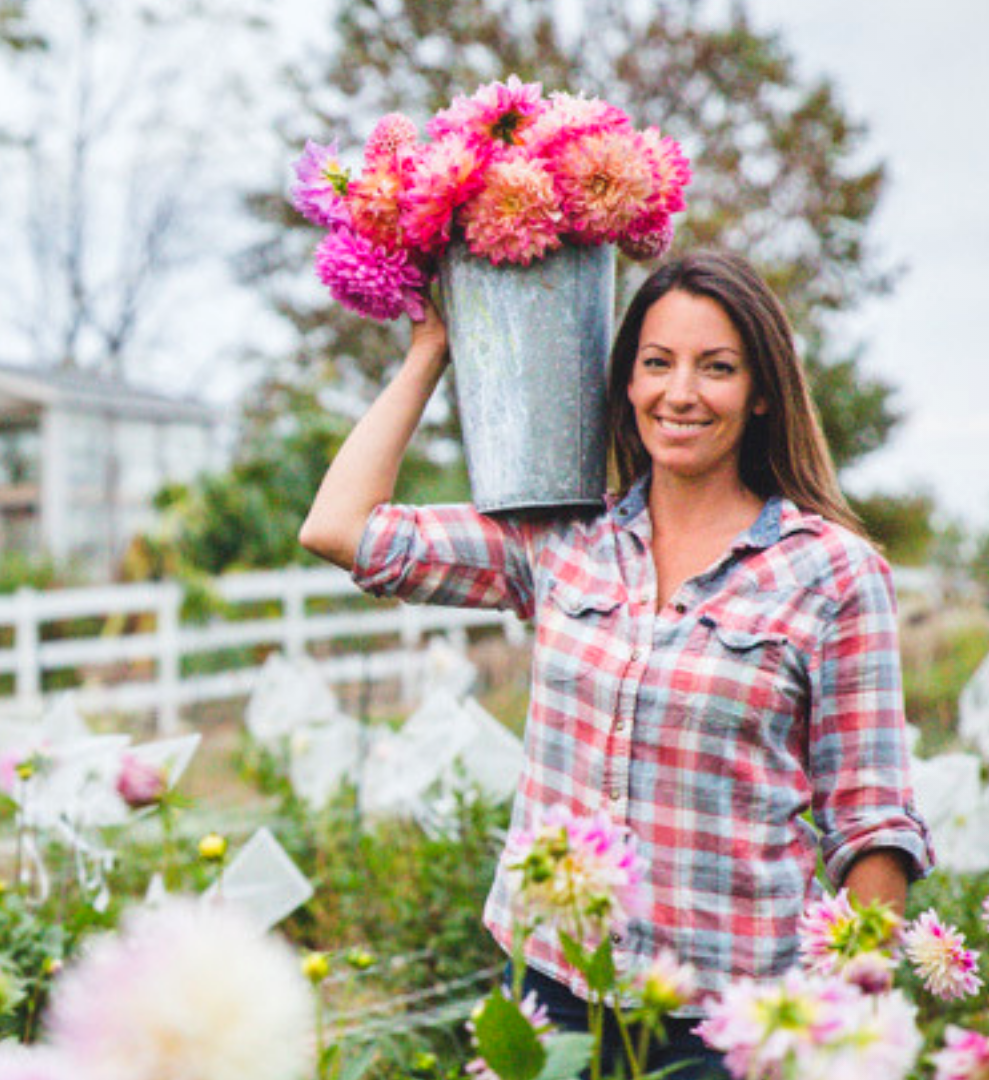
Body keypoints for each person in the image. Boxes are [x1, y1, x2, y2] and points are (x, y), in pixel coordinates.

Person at [299, 250, 933, 1078]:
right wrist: (431, 349)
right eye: (657, 363)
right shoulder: (564, 540)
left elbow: (870, 822)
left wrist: (851, 1032)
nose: (680, 393)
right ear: (625, 383)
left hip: (726, 1024)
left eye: (717, 368)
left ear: (762, 391)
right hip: (550, 998)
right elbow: (340, 528)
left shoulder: (831, 573)